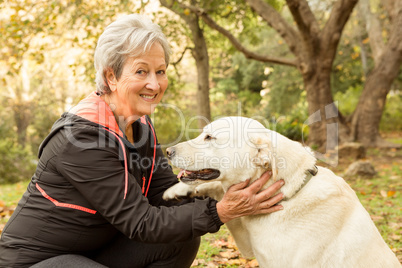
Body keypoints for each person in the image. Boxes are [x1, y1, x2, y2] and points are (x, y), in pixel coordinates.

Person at [0, 14, 285, 268]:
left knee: (180, 240)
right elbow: (141, 222)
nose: (155, 84)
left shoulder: (139, 123)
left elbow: (165, 193)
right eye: (141, 71)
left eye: (160, 71)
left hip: (96, 250)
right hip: (38, 260)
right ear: (111, 76)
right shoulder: (81, 139)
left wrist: (223, 182)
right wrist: (220, 211)